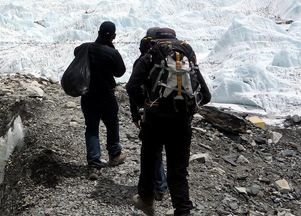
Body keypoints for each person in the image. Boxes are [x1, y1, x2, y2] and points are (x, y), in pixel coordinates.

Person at [126, 28, 212, 216]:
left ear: (155, 40)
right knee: (178, 170)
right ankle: (182, 210)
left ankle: (147, 200)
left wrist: (144, 104)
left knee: (149, 161)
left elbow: (131, 86)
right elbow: (206, 96)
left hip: (154, 122)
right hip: (182, 125)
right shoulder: (186, 57)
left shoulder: (151, 55)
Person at [75, 21, 127, 180]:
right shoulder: (112, 53)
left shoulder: (86, 47)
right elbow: (120, 72)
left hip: (88, 95)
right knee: (112, 123)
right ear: (114, 36)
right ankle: (114, 154)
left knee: (91, 128)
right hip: (106, 95)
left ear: (98, 32)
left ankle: (94, 165)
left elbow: (76, 51)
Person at [129, 27, 168, 201]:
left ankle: (157, 187)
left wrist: (137, 111)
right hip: (174, 112)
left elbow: (132, 88)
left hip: (151, 112)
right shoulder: (171, 59)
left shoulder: (143, 61)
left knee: (153, 151)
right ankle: (164, 187)